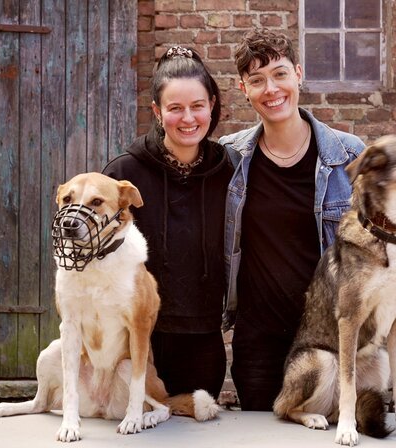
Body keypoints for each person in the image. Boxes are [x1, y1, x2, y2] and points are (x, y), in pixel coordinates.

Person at [219, 29, 366, 411]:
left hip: (329, 339)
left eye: (280, 74)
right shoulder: (229, 158)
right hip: (259, 343)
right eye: (257, 80)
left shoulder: (349, 155)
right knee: (259, 433)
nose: (271, 89)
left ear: (298, 74)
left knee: (334, 432)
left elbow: (376, 249)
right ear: (244, 89)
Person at [103, 46, 232, 400]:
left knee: (199, 421)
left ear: (212, 105)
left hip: (204, 339)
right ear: (158, 112)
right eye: (175, 108)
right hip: (140, 339)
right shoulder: (123, 174)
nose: (188, 118)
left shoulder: (230, 171)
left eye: (197, 106)